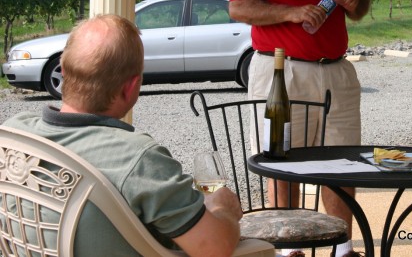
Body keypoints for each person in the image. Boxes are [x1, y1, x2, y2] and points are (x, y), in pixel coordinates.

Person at [3, 14, 242, 257]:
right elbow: (215, 248)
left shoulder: (13, 134)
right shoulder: (139, 159)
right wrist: (223, 208)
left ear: (64, 71)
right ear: (131, 87)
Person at [229, 0, 370, 257]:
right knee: (283, 162)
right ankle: (285, 250)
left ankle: (342, 250)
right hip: (282, 73)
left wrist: (353, 2)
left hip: (336, 72)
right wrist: (291, 13)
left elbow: (362, 4)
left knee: (343, 164)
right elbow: (238, 7)